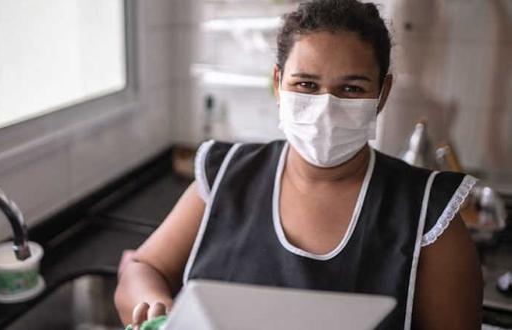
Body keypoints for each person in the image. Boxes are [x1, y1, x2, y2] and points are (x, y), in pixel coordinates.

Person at [114, 0, 483, 329]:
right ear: (277, 84)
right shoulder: (227, 174)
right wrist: (153, 304)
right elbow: (143, 268)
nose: (326, 106)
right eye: (306, 84)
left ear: (382, 94)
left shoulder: (427, 212)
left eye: (351, 89)